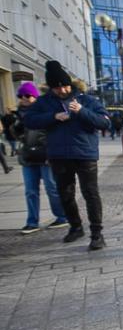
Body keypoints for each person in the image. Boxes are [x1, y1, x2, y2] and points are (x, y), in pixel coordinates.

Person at [24, 61, 110, 250]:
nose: (62, 90)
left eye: (64, 85)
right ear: (51, 87)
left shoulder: (86, 99)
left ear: (70, 84)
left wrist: (81, 111)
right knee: (66, 194)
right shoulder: (44, 102)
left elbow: (104, 123)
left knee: (91, 193)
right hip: (59, 155)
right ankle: (76, 227)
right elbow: (29, 120)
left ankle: (97, 234)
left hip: (85, 153)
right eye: (57, 87)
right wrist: (53, 117)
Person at [13, 82, 68, 233]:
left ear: (35, 96)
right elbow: (17, 135)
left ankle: (62, 216)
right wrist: (14, 126)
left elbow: (52, 132)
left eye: (28, 95)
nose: (24, 98)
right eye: (21, 96)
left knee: (52, 188)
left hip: (45, 156)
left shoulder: (43, 111)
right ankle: (32, 222)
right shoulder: (18, 114)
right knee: (30, 190)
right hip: (28, 156)